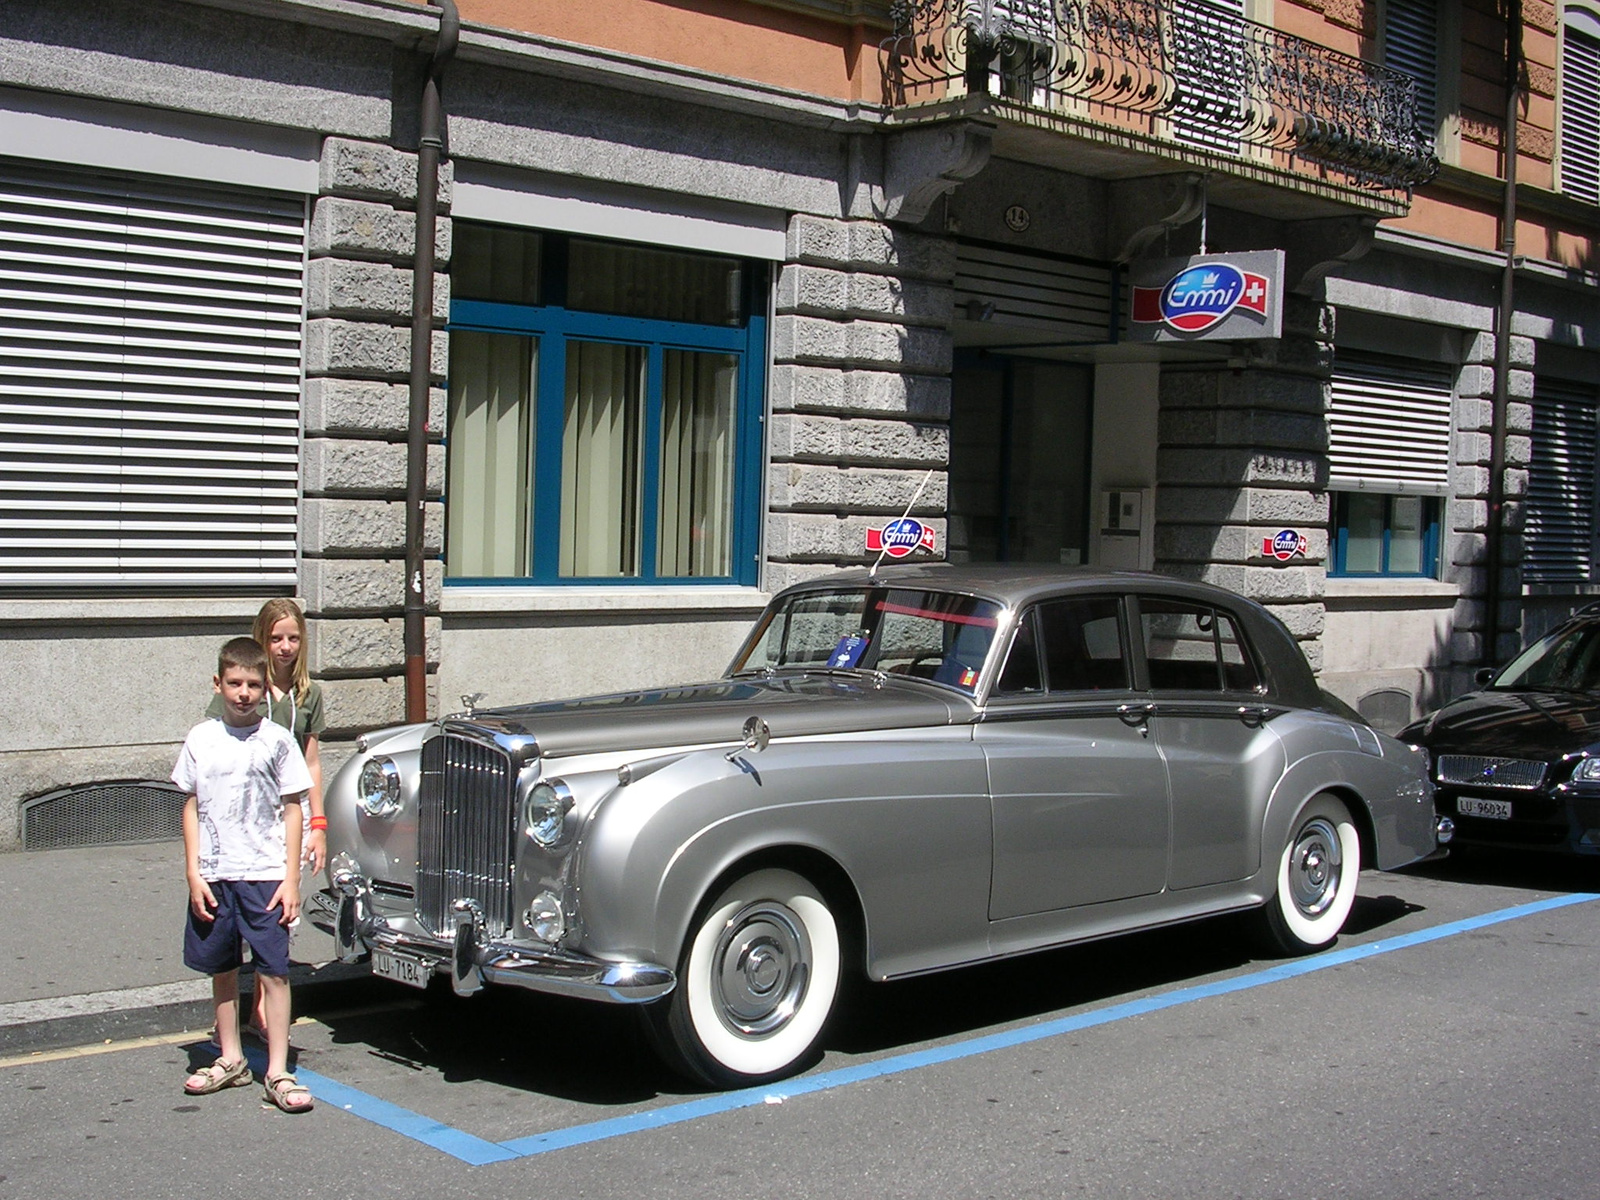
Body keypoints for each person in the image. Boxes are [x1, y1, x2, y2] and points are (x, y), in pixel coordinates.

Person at [175, 636, 315, 1114]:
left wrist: (291, 879)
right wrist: (194, 873)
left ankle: (277, 1068)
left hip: (264, 874)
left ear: (264, 690)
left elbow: (293, 808)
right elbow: (190, 805)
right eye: (234, 683)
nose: (243, 693)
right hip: (215, 874)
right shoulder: (201, 738)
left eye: (253, 684)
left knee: (274, 971)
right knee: (222, 969)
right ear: (219, 683)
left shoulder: (277, 741)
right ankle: (230, 1056)